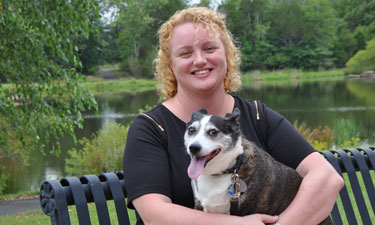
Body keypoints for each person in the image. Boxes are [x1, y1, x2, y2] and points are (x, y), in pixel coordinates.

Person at [123, 7, 344, 225]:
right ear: (171, 66)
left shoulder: (258, 116)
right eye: (186, 53)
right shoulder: (150, 128)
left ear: (227, 55)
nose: (199, 60)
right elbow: (154, 215)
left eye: (209, 48)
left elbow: (327, 178)